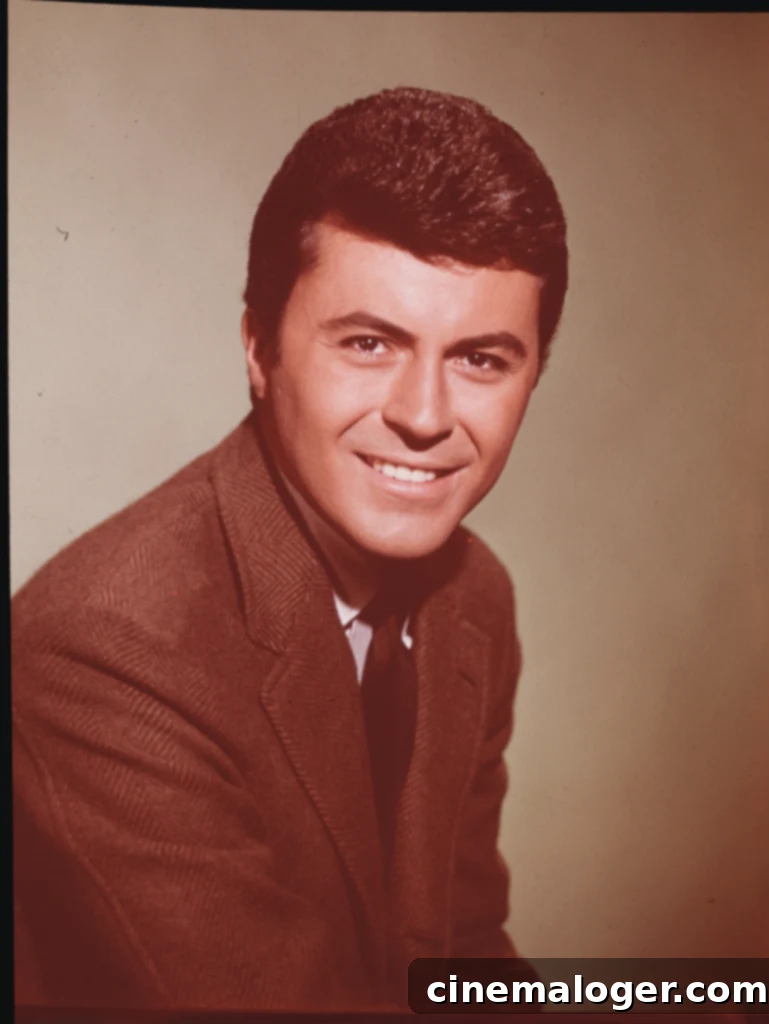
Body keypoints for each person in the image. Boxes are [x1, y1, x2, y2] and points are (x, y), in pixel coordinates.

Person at [12, 86, 568, 1011]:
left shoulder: (473, 600)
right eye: (368, 343)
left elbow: (463, 962)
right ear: (260, 349)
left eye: (480, 359)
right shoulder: (104, 649)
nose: (424, 417)